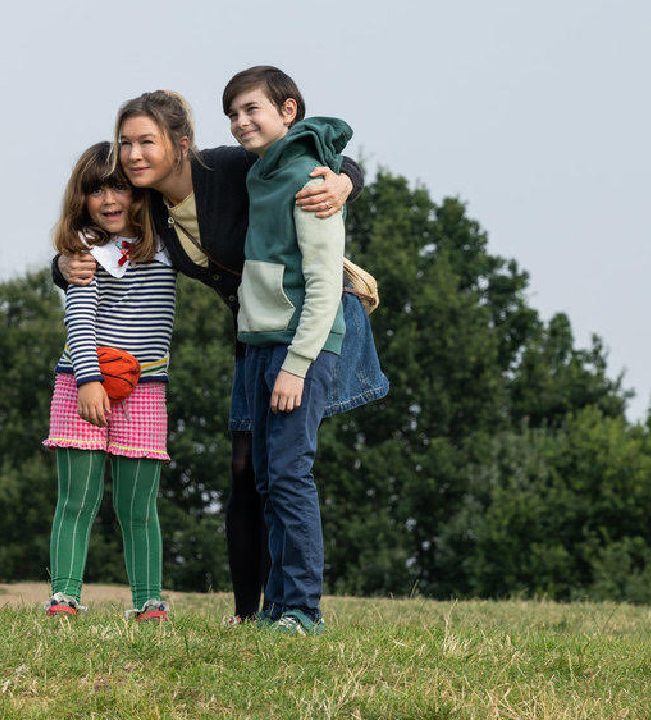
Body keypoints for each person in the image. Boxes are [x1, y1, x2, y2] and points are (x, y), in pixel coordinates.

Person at [54, 89, 388, 624]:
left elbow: (316, 155)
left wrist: (345, 181)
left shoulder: (227, 167)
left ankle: (297, 608)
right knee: (245, 470)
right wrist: (61, 267)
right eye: (126, 144)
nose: (134, 155)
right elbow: (99, 246)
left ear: (180, 144)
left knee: (285, 466)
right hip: (254, 330)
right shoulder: (148, 207)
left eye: (147, 142)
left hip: (307, 320)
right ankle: (247, 612)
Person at [225, 65, 350, 634]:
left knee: (291, 475)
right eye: (233, 113)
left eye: (252, 109)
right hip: (259, 343)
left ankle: (303, 610)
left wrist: (297, 366)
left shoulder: (308, 177)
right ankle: (276, 608)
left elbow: (324, 287)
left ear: (288, 111)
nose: (240, 121)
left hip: (298, 347)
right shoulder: (260, 174)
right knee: (267, 479)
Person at [42, 141, 177, 622]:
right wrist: (88, 380)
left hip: (146, 389)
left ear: (139, 190)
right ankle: (64, 598)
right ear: (82, 199)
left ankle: (148, 603)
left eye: (118, 185)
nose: (108, 199)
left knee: (138, 507)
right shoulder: (84, 249)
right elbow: (79, 319)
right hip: (83, 383)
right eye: (95, 190)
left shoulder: (169, 239)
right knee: (77, 500)